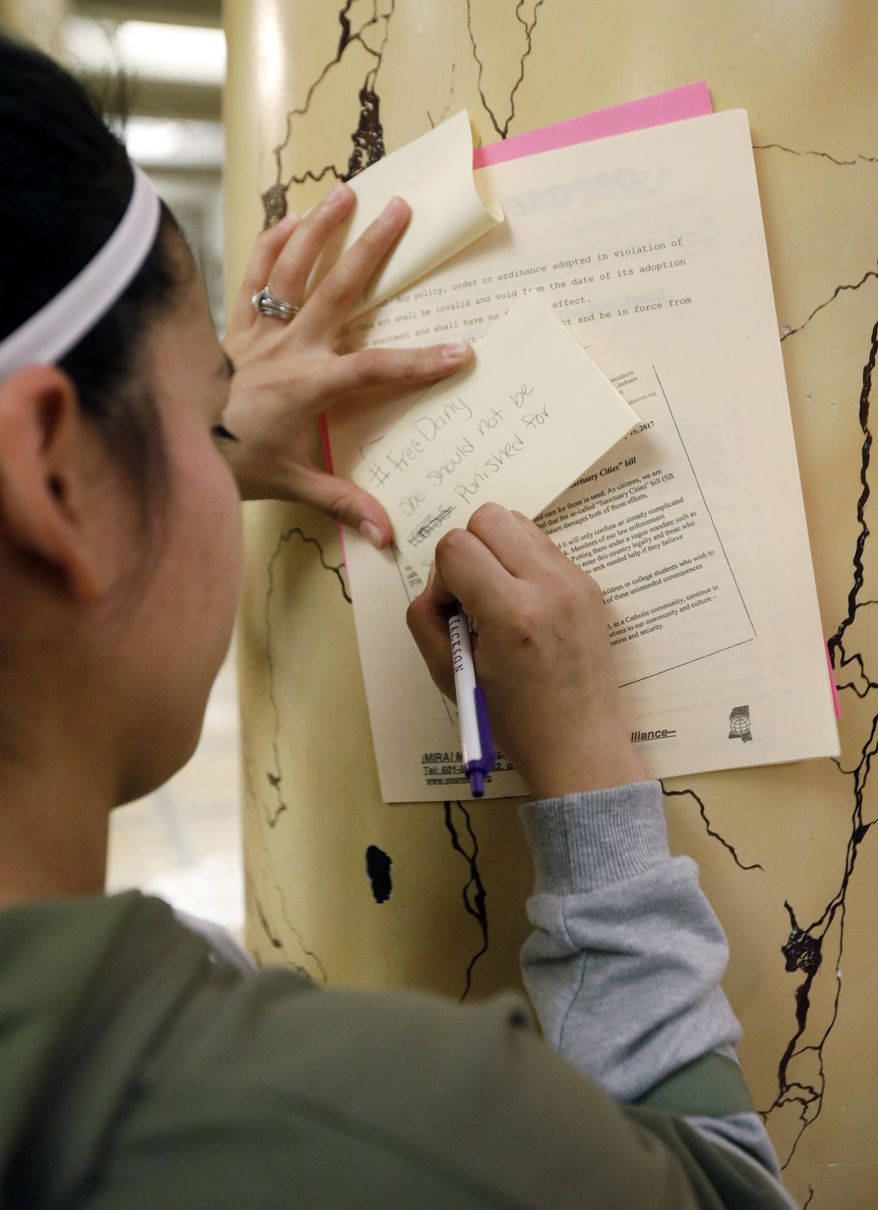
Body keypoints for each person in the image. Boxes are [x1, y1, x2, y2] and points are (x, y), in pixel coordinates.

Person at [0, 31, 795, 1210]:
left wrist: (188, 442)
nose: (228, 442)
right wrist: (584, 778)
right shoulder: (395, 1138)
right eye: (208, 404)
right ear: (55, 474)